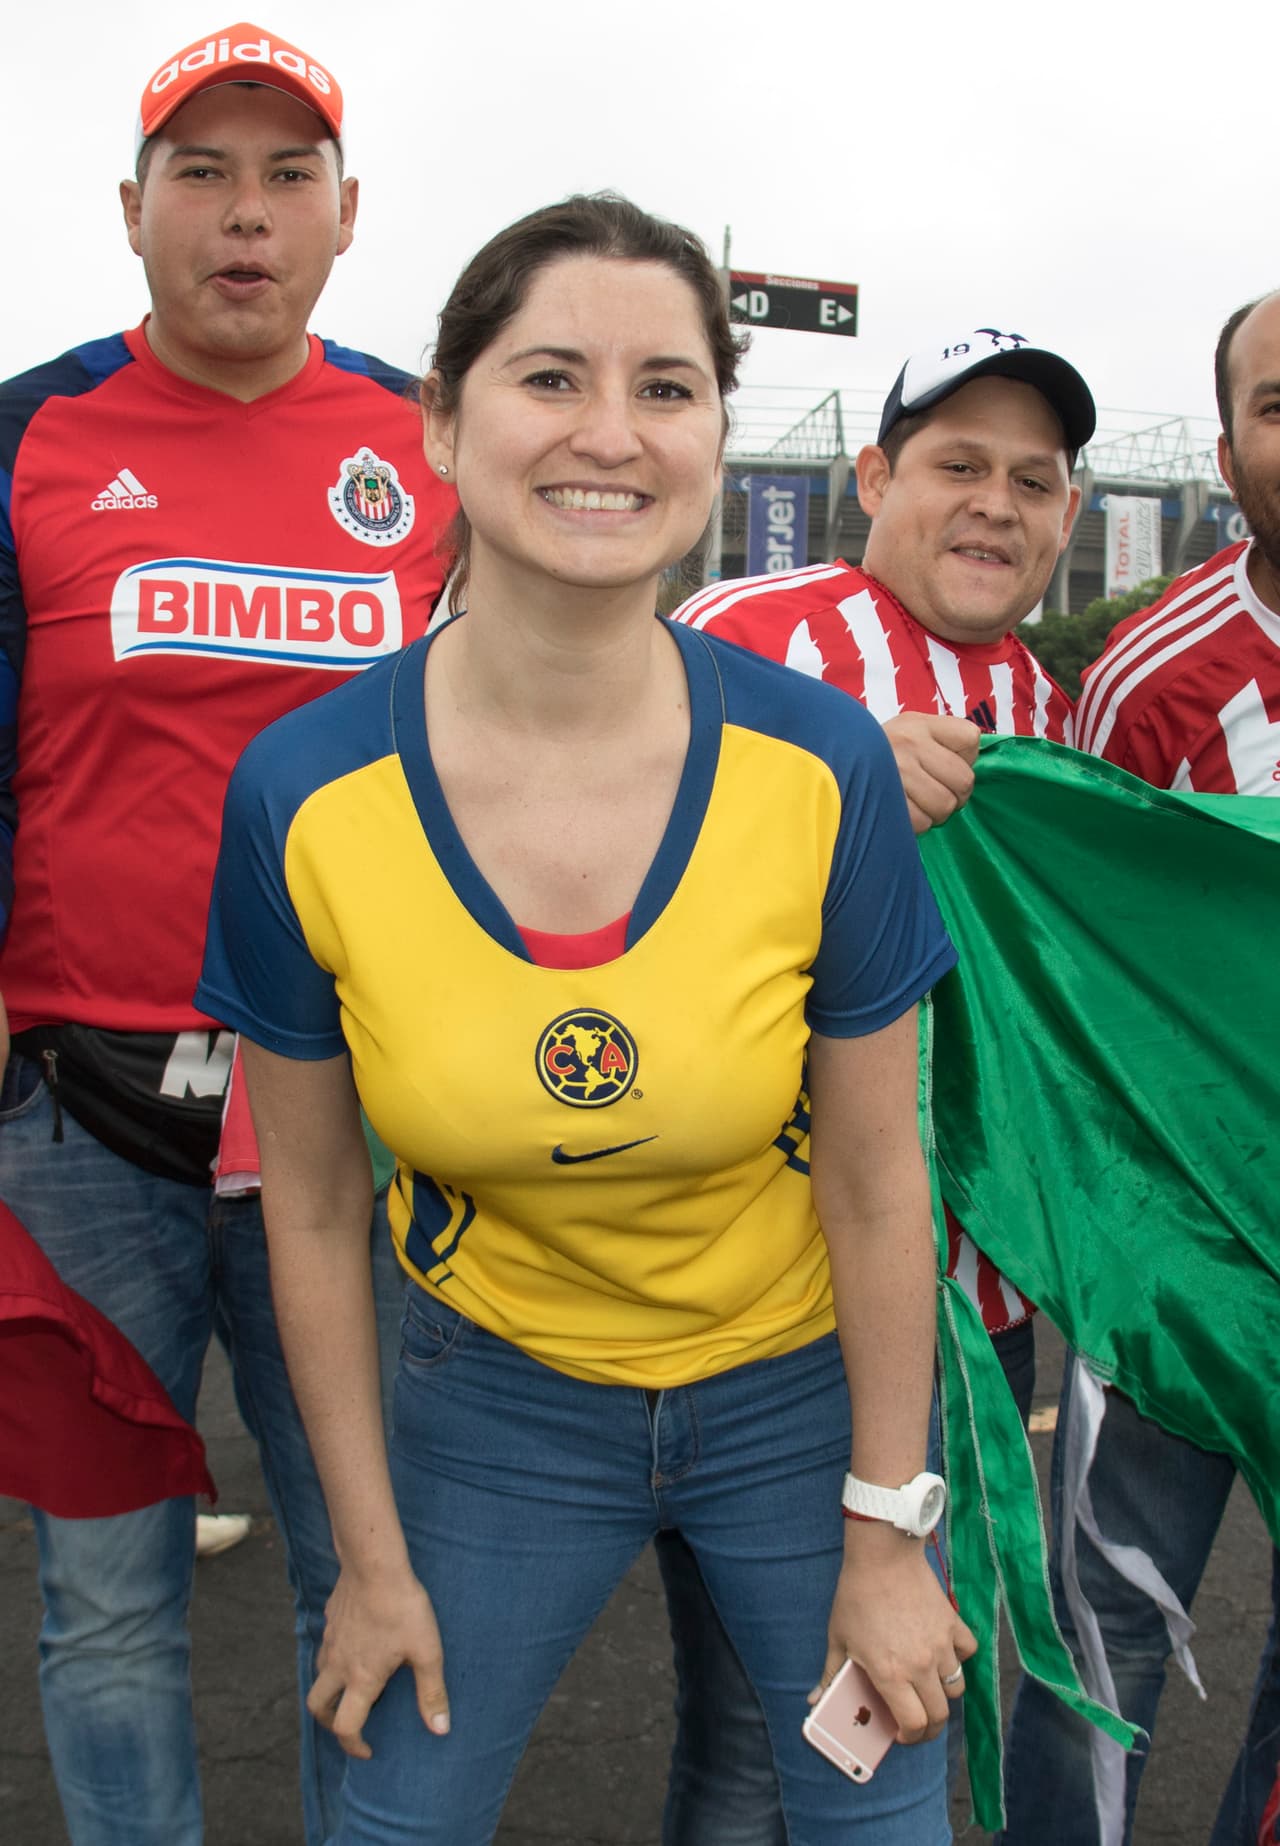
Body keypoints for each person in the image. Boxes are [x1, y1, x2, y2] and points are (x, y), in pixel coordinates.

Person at [196, 192, 977, 1846]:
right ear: (439, 417)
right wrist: (367, 1559)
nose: (610, 436)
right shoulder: (302, 793)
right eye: (551, 377)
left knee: (879, 1813)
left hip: (797, 1390)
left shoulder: (819, 766)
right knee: (390, 1819)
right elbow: (318, 1206)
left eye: (669, 387)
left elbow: (876, 1174)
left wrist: (892, 1531)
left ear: (714, 431)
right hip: (492, 1391)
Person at [0, 22, 453, 1845]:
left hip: (346, 1110)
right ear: (130, 211)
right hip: (76, 1116)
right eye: (202, 174)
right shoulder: (32, 434)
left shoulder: (428, 439)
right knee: (105, 1598)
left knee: (369, 1570)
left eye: (286, 178)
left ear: (349, 215)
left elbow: (566, 708)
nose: (243, 216)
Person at [668, 328, 1091, 1816]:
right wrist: (838, 787)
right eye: (957, 465)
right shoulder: (744, 627)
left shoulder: (1048, 705)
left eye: (1031, 480)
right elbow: (610, 879)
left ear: (1069, 515)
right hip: (770, 1308)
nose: (995, 505)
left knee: (916, 1690)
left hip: (974, 1315)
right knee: (757, 1730)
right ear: (873, 476)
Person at [998, 290, 1280, 1846]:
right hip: (1177, 1263)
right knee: (1102, 1641)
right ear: (1229, 444)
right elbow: (1079, 960)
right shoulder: (1157, 676)